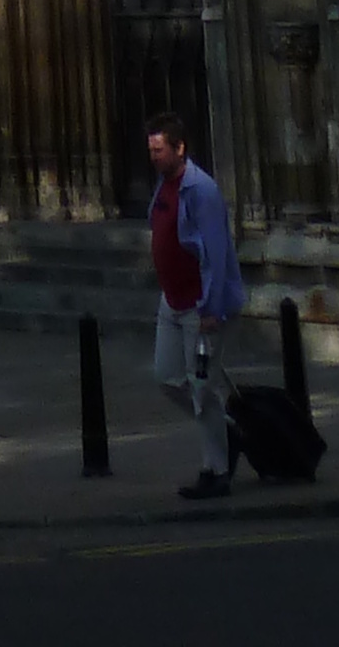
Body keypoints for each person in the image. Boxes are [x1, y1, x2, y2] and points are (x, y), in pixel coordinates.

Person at [144, 110, 246, 503]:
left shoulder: (201, 191)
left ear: (179, 148)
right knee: (167, 378)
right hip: (172, 303)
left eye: (159, 150)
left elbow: (217, 255)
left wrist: (211, 309)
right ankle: (225, 429)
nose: (154, 157)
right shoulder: (163, 186)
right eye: (151, 150)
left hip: (201, 308)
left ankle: (216, 470)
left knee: (202, 388)